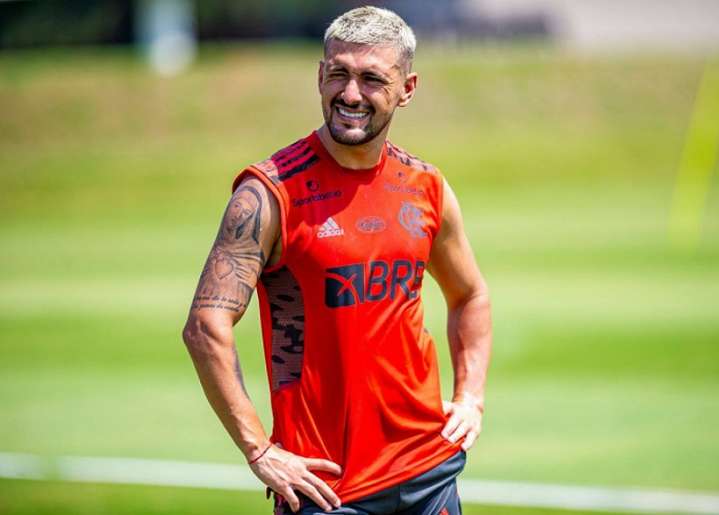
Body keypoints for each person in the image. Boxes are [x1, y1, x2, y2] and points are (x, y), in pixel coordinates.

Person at [182, 6, 491, 515]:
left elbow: (470, 294)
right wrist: (258, 450)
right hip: (326, 489)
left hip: (428, 470)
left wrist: (471, 396)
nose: (351, 94)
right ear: (319, 76)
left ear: (407, 89)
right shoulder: (269, 192)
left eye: (372, 79)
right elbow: (205, 326)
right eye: (338, 74)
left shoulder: (426, 187)